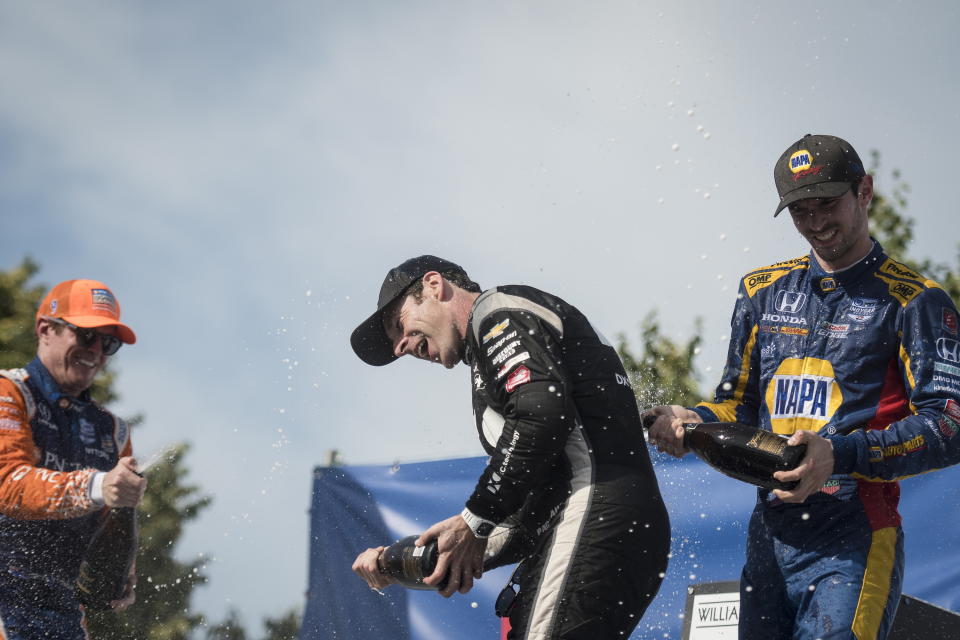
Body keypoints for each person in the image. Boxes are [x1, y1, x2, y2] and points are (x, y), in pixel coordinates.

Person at [647, 134, 960, 640]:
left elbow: (950, 425)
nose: (816, 224)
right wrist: (695, 420)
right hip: (767, 539)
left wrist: (839, 454)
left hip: (855, 538)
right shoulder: (761, 291)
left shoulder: (916, 301)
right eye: (800, 211)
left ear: (865, 191)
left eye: (828, 204)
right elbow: (737, 403)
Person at [349, 256, 670, 639]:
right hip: (607, 523)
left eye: (398, 325)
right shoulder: (487, 361)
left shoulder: (497, 311)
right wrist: (409, 560)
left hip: (597, 513)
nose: (400, 347)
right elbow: (528, 508)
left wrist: (474, 519)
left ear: (434, 286)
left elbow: (542, 415)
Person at [0, 279, 146, 640]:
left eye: (107, 343)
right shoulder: (9, 392)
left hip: (63, 610)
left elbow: (113, 525)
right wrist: (97, 484)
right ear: (45, 329)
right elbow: (8, 484)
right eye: (86, 336)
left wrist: (123, 570)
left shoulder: (114, 431)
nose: (96, 350)